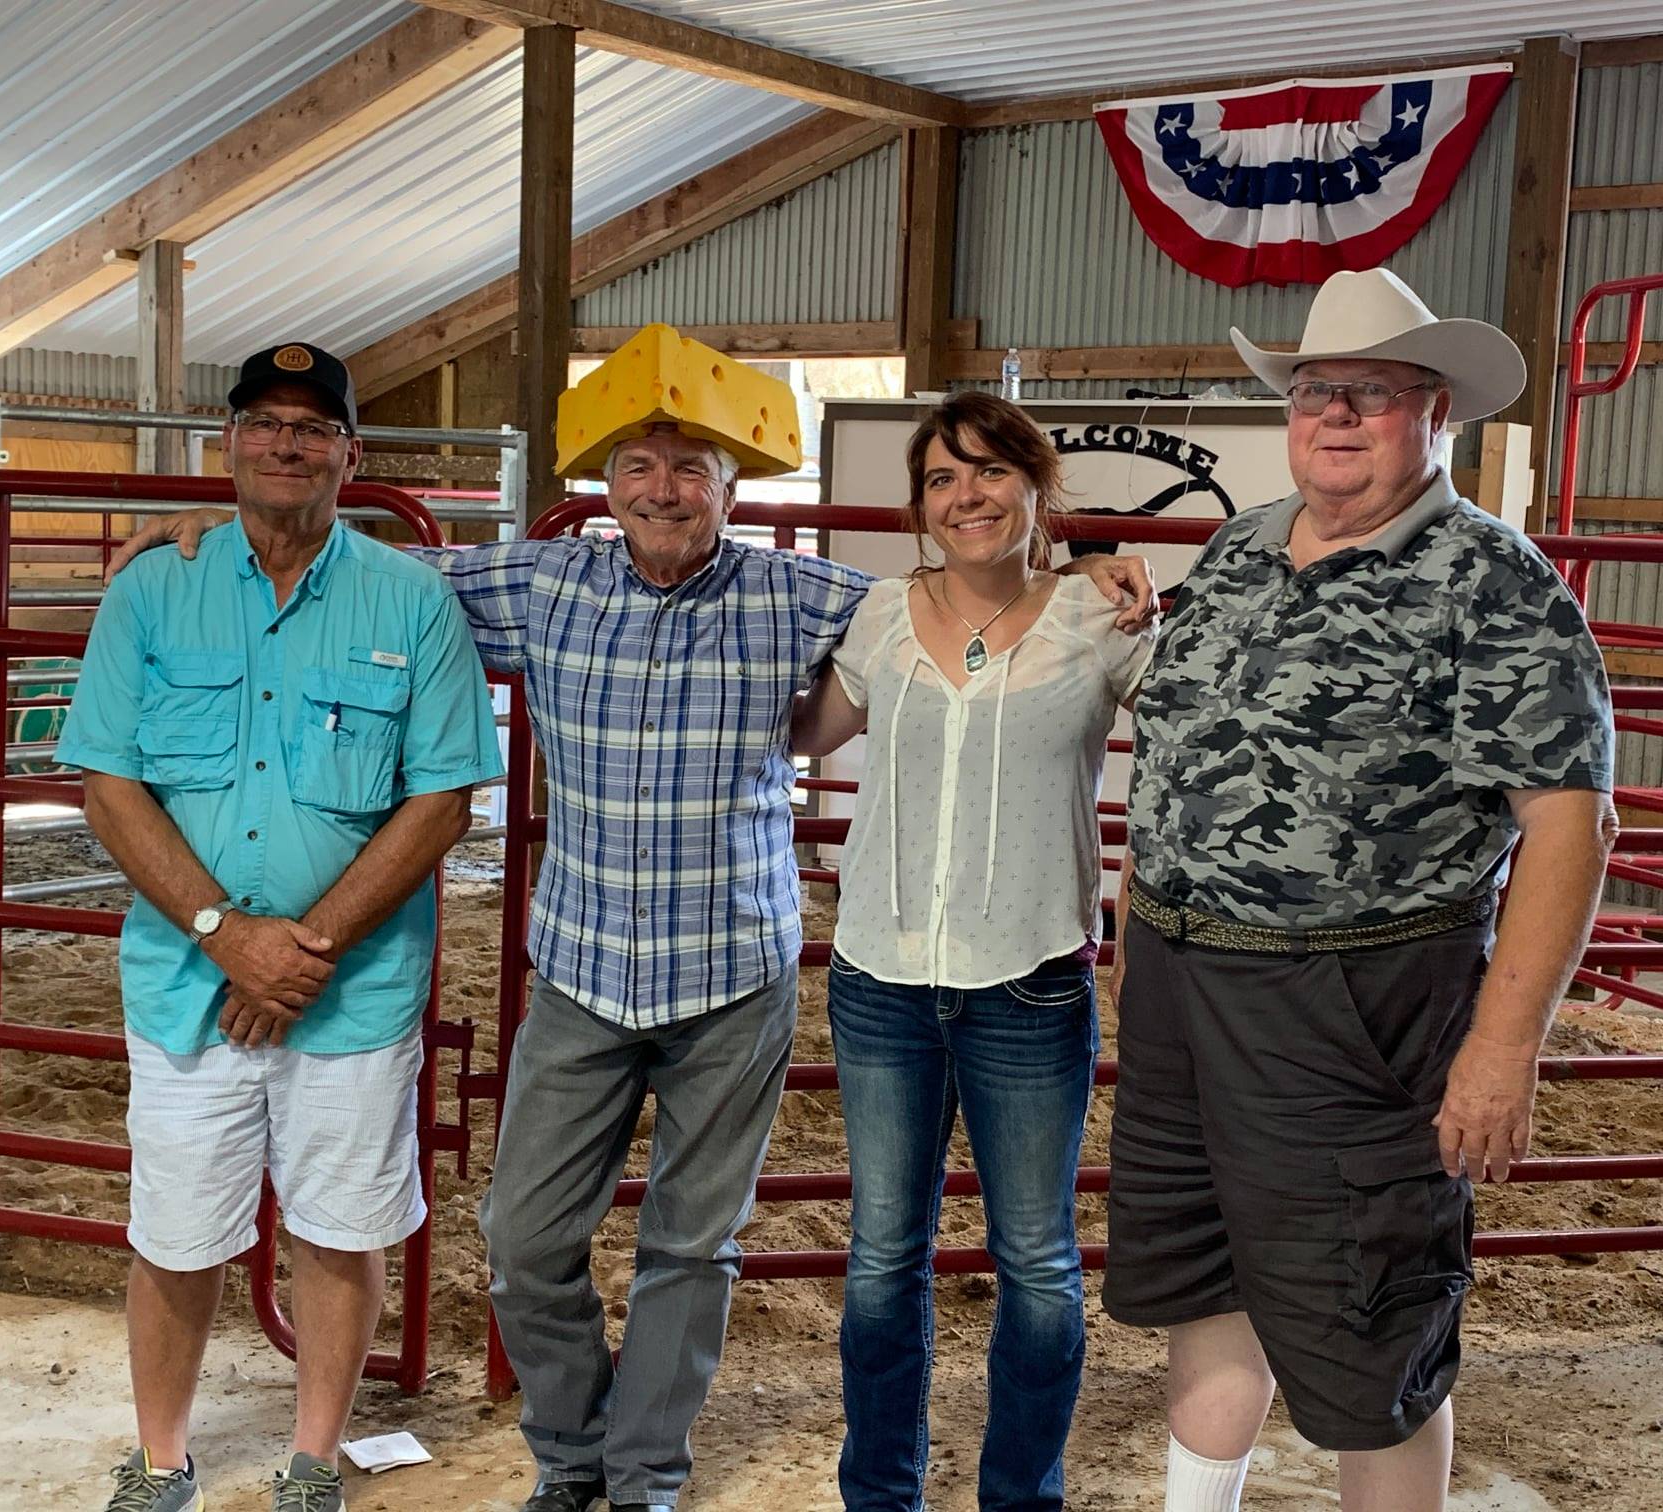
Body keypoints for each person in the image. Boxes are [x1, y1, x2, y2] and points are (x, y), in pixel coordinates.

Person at [105, 325, 1155, 1512]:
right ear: (604, 484)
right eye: (642, 464)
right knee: (522, 1237)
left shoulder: (805, 595)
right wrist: (191, 542)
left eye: (693, 463)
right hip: (582, 969)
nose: (665, 487)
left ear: (732, 484)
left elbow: (967, 593)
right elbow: (344, 579)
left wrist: (1091, 566)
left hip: (732, 972)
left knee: (692, 1249)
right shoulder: (532, 581)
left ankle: (643, 1474)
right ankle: (574, 1448)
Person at [1107, 269, 1619, 1512]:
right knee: (1205, 1279)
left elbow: (1569, 820)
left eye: (1373, 394)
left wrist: (1503, 1049)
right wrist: (1136, 918)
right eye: (1317, 391)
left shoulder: (1491, 581)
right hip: (1184, 979)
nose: (1337, 415)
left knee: (1366, 1323)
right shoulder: (1238, 545)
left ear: (1435, 412)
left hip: (1354, 998)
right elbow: (1182, 742)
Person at [58, 341, 505, 1512]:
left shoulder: (411, 597)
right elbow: (107, 785)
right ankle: (161, 1460)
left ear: (351, 455)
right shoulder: (153, 587)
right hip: (186, 980)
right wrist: (224, 933)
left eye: (313, 428)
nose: (288, 443)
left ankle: (313, 1461)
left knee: (341, 1228)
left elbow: (444, 795)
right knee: (176, 1230)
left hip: (347, 992)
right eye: (265, 422)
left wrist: (299, 949)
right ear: (230, 444)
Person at [790, 392, 1156, 1512]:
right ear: (919, 506)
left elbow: (1189, 760)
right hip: (882, 979)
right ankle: (880, 1495)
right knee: (880, 1257)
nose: (968, 497)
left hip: (1032, 980)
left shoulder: (1105, 621)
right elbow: (804, 732)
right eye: (944, 479)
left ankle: (1020, 1495)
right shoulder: (880, 619)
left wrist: (1113, 565)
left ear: (1038, 491)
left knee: (1039, 1266)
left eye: (992, 472)